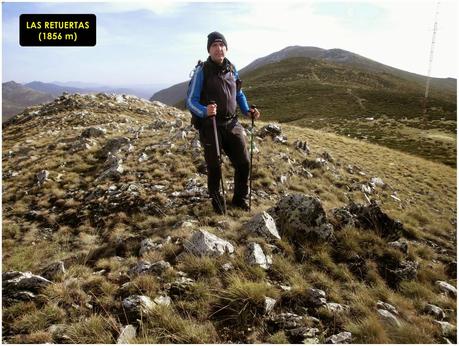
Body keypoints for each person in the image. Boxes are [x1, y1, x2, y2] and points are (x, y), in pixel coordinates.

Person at [186, 31, 260, 214]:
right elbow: (190, 100)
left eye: (221, 45)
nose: (218, 49)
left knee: (243, 163)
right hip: (210, 125)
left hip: (231, 123)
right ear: (209, 50)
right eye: (214, 46)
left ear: (226, 48)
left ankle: (239, 199)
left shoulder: (232, 69)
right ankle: (217, 200)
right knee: (214, 165)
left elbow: (238, 93)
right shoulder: (201, 71)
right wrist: (205, 111)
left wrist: (246, 110)